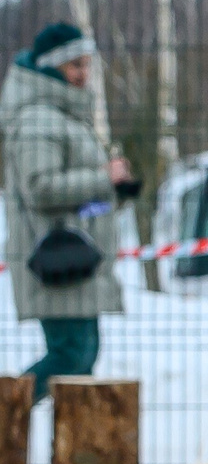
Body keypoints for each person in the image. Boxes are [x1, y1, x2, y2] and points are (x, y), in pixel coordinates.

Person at [5, 23, 132, 398]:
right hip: (57, 260)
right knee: (70, 356)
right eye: (75, 65)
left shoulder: (63, 117)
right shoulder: (38, 120)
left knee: (79, 362)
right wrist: (101, 177)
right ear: (50, 66)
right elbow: (40, 188)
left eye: (86, 65)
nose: (83, 74)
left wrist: (116, 187)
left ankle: (72, 452)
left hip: (78, 261)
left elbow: (81, 191)